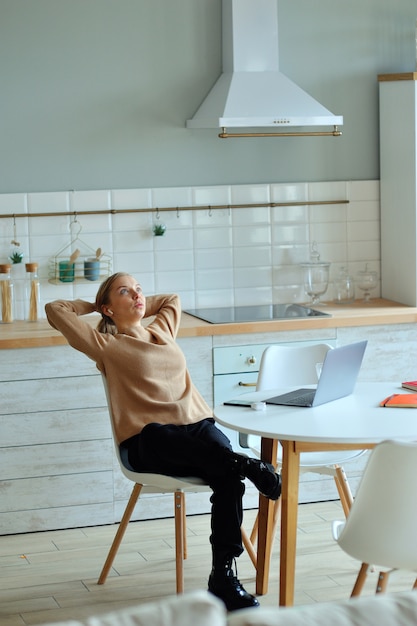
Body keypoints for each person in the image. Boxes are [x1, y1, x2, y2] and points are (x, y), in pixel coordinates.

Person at [45, 272, 281, 612]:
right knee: (165, 436)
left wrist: (133, 299)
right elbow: (56, 309)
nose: (137, 295)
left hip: (197, 427)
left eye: (139, 290)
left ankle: (223, 578)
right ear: (107, 309)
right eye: (125, 292)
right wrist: (96, 307)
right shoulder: (105, 345)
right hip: (149, 440)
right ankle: (247, 464)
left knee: (227, 475)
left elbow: (171, 299)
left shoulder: (162, 331)